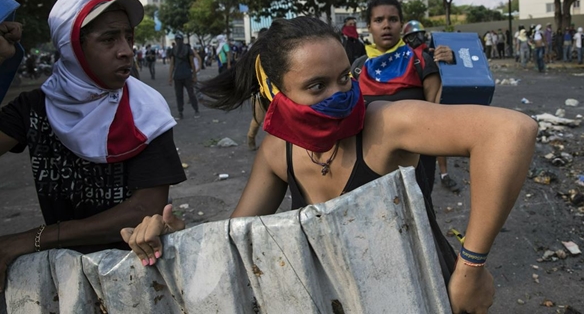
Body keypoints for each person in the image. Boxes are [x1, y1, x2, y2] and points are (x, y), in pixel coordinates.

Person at [121, 16, 536, 313]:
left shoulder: (387, 122)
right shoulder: (276, 150)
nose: (339, 94)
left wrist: (472, 269)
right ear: (274, 92)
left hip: (425, 294)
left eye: (344, 78)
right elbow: (236, 239)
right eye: (316, 86)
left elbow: (511, 132)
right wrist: (180, 237)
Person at [0, 0, 186, 292]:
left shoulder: (146, 111)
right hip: (66, 278)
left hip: (138, 275)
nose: (126, 51)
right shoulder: (34, 108)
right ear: (72, 47)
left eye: (128, 37)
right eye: (109, 39)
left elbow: (144, 208)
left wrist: (30, 239)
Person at [351, 3, 456, 193]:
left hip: (417, 164)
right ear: (369, 27)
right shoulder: (358, 67)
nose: (386, 25)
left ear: (401, 25)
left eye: (393, 19)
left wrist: (451, 67)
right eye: (378, 20)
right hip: (369, 164)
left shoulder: (421, 60)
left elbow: (441, 112)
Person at [168, 32, 200, 119]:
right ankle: (196, 110)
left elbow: (172, 65)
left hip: (177, 76)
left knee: (179, 95)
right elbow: (192, 64)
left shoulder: (173, 50)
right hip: (187, 74)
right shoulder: (187, 49)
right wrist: (195, 75)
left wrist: (170, 77)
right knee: (191, 93)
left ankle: (180, 112)